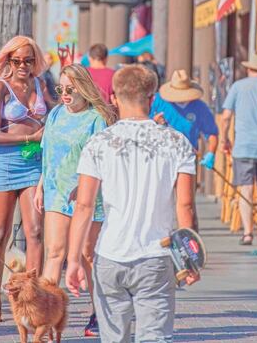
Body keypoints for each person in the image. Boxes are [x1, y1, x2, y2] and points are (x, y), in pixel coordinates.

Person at [65, 65, 198, 341]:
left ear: (114, 97)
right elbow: (185, 206)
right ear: (152, 99)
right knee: (155, 336)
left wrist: (74, 259)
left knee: (114, 337)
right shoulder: (178, 143)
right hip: (156, 255)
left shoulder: (98, 143)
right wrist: (189, 259)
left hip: (110, 254)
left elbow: (84, 207)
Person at [34, 63, 116, 337]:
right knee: (54, 252)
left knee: (87, 254)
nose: (65, 95)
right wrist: (40, 186)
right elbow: (47, 155)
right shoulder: (56, 113)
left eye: (70, 89)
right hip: (57, 191)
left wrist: (84, 188)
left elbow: (103, 162)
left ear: (83, 88)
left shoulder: (97, 118)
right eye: (61, 89)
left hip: (88, 195)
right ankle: (44, 315)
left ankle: (99, 312)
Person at [0, 36, 49, 323]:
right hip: (4, 165)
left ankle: (31, 298)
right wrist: (26, 137)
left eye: (28, 60)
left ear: (36, 61)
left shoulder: (40, 86)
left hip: (33, 164)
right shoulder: (0, 87)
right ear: (8, 61)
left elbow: (57, 114)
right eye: (17, 60)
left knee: (34, 231)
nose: (23, 66)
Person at [221, 52, 257, 246]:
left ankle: (247, 232)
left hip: (243, 146)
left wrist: (224, 139)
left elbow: (226, 116)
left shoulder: (238, 87)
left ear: (249, 68)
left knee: (245, 190)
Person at [151, 69, 219, 170]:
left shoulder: (200, 107)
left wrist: (211, 153)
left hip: (186, 158)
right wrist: (154, 122)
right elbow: (144, 123)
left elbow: (211, 132)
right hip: (160, 156)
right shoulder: (158, 101)